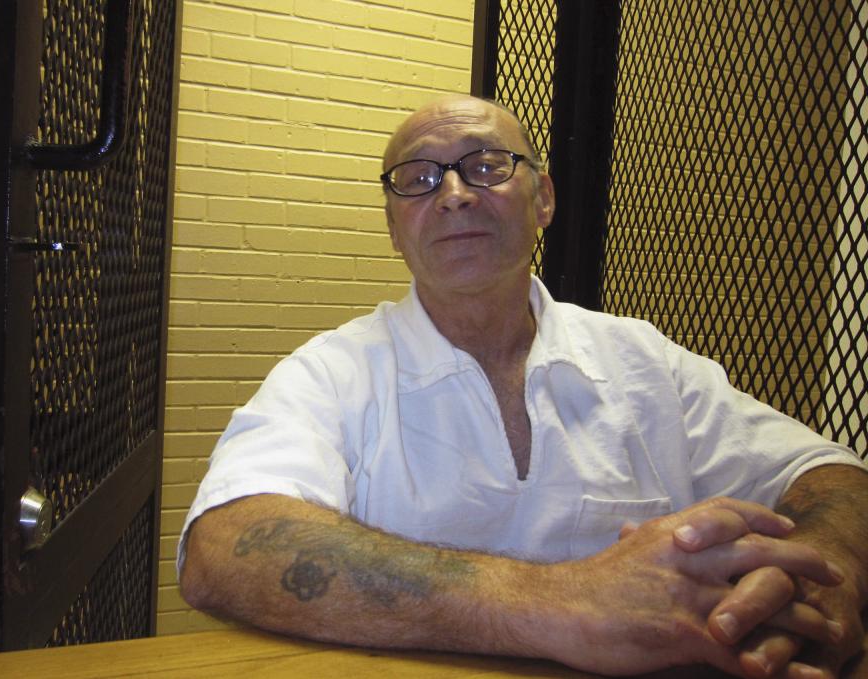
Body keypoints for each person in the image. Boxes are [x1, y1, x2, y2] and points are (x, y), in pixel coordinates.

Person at [178, 94, 868, 678]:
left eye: (486, 165)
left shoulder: (643, 360)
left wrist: (825, 568)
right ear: (393, 227)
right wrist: (567, 600)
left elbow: (836, 476)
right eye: (418, 177)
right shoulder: (332, 373)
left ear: (543, 198)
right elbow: (223, 545)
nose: (453, 193)